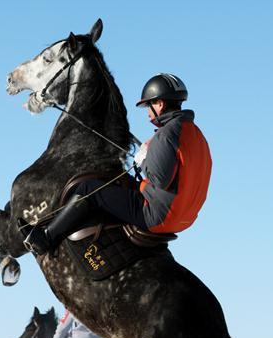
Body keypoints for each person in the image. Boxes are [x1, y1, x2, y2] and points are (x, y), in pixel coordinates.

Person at [25, 73, 212, 255]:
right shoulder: (196, 135)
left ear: (160, 104)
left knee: (88, 190)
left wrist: (144, 159)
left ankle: (45, 239)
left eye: (149, 105)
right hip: (183, 218)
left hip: (158, 215)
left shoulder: (167, 134)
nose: (148, 112)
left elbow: (160, 179)